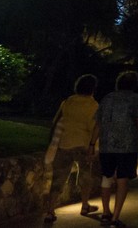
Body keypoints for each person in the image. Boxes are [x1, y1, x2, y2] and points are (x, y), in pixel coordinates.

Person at [90, 71, 138, 228]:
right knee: (122, 181)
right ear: (134, 84)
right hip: (127, 147)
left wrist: (92, 144)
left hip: (107, 146)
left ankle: (106, 212)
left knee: (106, 178)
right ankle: (115, 217)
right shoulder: (135, 99)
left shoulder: (107, 98)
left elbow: (98, 124)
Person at [43, 74, 100, 223]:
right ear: (93, 89)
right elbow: (94, 128)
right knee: (85, 177)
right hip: (83, 145)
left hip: (64, 144)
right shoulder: (93, 106)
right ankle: (85, 205)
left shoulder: (67, 102)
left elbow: (57, 121)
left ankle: (50, 211)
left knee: (58, 178)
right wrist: (94, 146)